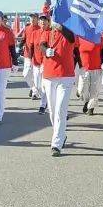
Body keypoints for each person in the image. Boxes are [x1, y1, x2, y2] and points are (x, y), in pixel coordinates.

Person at [39, 20, 77, 155]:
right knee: (52, 110)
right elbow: (41, 45)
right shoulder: (47, 31)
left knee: (61, 109)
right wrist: (46, 51)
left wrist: (61, 28)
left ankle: (56, 143)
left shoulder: (70, 31)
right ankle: (61, 134)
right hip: (49, 75)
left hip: (66, 75)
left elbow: (72, 39)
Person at [77, 36, 103, 115]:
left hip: (96, 68)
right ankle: (86, 101)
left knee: (94, 90)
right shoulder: (80, 37)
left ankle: (91, 107)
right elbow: (75, 51)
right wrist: (77, 63)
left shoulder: (98, 38)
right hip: (84, 68)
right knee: (82, 89)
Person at [30, 14, 50, 113]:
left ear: (48, 22)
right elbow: (31, 47)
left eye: (45, 20)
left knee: (44, 85)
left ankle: (43, 105)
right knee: (37, 86)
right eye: (41, 20)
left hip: (46, 63)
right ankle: (44, 101)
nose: (43, 22)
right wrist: (30, 59)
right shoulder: (34, 33)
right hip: (36, 62)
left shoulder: (51, 33)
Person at [20, 14, 42, 100]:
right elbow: (24, 39)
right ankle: (33, 88)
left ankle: (35, 93)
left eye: (34, 18)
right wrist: (19, 46)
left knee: (36, 76)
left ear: (37, 19)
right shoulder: (27, 28)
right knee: (26, 74)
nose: (32, 19)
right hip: (28, 55)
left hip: (37, 55)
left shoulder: (40, 29)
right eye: (31, 18)